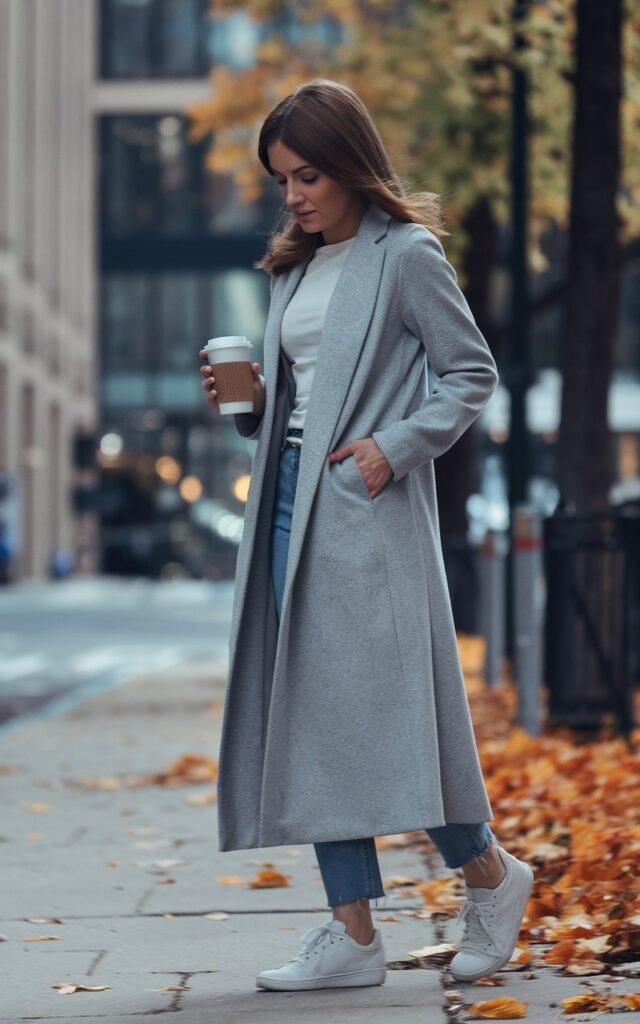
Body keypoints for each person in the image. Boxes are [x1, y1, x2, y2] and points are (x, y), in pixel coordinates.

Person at [199, 79, 533, 993]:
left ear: (350, 165)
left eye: (309, 174)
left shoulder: (406, 255)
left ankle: (493, 878)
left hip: (363, 509)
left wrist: (391, 449)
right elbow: (302, 399)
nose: (296, 195)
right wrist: (254, 407)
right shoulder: (294, 270)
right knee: (306, 718)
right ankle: (352, 933)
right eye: (281, 181)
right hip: (284, 505)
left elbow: (469, 374)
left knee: (391, 721)